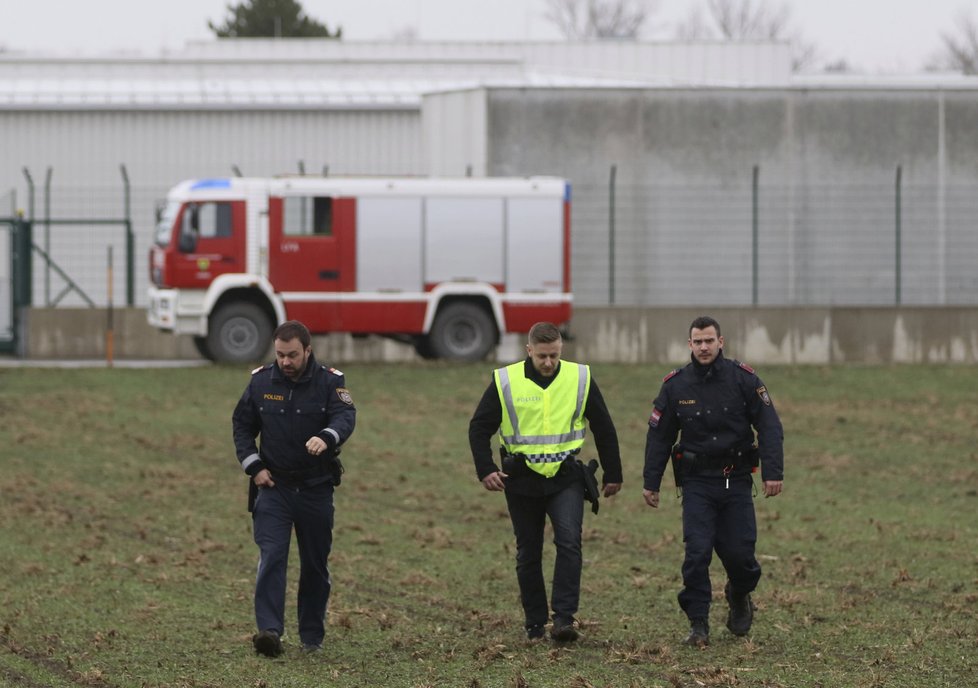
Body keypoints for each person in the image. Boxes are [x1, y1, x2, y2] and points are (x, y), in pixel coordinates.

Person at [468, 321, 623, 642]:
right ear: (529, 351)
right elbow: (479, 427)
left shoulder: (580, 378)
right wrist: (486, 469)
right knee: (528, 552)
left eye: (554, 355)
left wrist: (614, 473)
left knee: (569, 542)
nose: (549, 363)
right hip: (520, 480)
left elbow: (604, 426)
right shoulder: (505, 381)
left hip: (564, 477)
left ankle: (564, 619)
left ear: (561, 350)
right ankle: (535, 623)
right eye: (542, 356)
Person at [642, 316, 783, 647]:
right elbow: (659, 437)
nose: (704, 347)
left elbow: (769, 426)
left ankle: (738, 594)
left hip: (735, 480)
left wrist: (773, 471)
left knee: (741, 558)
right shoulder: (676, 385)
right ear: (689, 345)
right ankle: (698, 623)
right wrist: (652, 481)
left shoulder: (744, 380)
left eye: (709, 341)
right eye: (697, 342)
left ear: (721, 342)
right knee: (697, 554)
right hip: (697, 484)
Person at [232, 320, 356, 657]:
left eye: (293, 355)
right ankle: (270, 632)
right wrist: (254, 467)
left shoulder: (331, 382)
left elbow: (345, 416)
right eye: (281, 355)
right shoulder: (260, 383)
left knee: (315, 565)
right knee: (272, 556)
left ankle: (311, 638)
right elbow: (242, 426)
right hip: (274, 487)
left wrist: (327, 437)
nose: (286, 362)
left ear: (308, 351)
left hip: (316, 488)